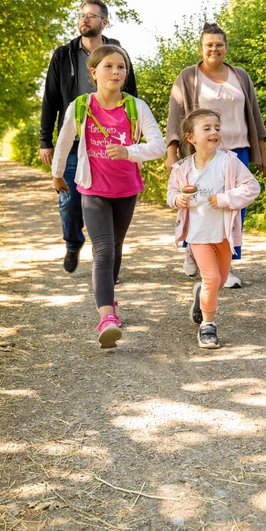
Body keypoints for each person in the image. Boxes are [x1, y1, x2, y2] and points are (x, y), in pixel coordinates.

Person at [52, 44, 164, 348]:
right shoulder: (80, 106)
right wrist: (57, 173)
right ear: (94, 72)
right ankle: (106, 317)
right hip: (93, 188)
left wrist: (129, 151)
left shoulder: (136, 106)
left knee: (115, 246)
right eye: (109, 66)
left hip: (127, 188)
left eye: (121, 67)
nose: (116, 72)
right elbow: (64, 143)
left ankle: (109, 300)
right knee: (102, 250)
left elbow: (159, 146)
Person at [165, 23, 266, 287]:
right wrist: (171, 153)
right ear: (201, 48)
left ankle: (228, 264)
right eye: (209, 44)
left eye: (219, 44)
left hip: (238, 150)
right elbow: (176, 118)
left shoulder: (240, 76)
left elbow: (255, 116)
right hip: (203, 152)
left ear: (226, 47)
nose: (214, 48)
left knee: (234, 206)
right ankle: (194, 249)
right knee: (200, 204)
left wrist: (263, 154)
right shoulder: (188, 77)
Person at [40, 0, 138, 274]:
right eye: (82, 15)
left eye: (92, 16)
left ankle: (106, 260)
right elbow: (50, 99)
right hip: (74, 142)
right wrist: (45, 140)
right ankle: (73, 243)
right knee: (69, 201)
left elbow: (132, 98)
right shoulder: (63, 54)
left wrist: (134, 146)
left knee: (111, 201)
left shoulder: (118, 52)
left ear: (104, 22)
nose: (85, 19)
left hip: (111, 142)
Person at [167, 109, 261, 349]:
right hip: (198, 235)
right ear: (191, 138)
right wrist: (178, 200)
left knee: (218, 281)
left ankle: (201, 296)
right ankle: (208, 326)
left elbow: (252, 187)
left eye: (217, 128)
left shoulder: (229, 162)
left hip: (223, 233)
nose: (214, 132)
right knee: (210, 278)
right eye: (206, 128)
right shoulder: (182, 168)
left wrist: (225, 199)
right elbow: (172, 193)